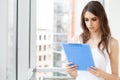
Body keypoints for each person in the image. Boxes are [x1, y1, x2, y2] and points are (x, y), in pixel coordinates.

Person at [66, 1, 119, 80]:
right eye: (86, 20)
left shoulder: (112, 43)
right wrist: (70, 72)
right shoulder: (76, 40)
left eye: (94, 19)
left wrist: (102, 74)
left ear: (101, 19)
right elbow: (76, 75)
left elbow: (116, 77)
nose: (90, 24)